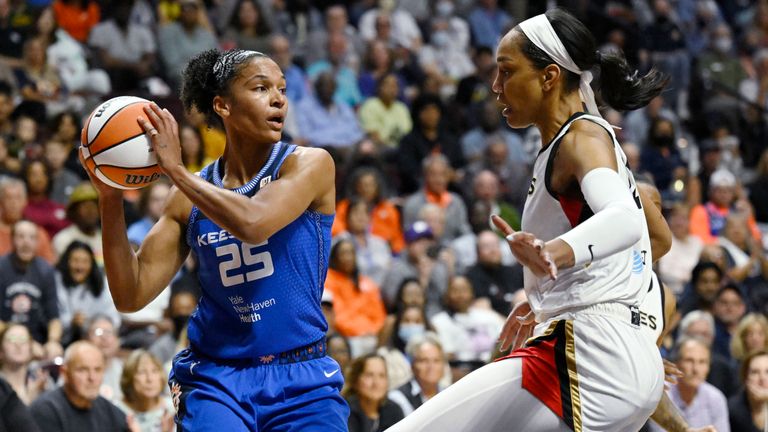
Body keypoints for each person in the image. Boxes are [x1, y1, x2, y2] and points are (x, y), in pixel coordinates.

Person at [386, 8, 669, 431]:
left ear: (549, 76)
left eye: (506, 72)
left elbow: (626, 222)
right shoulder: (590, 142)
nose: (495, 87)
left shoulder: (581, 139)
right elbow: (655, 242)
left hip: (588, 352)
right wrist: (549, 295)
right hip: (626, 358)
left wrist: (551, 254)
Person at [82, 48, 348, 430]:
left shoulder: (309, 163)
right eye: (260, 88)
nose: (278, 99)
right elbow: (130, 295)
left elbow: (255, 223)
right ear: (222, 105)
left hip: (301, 377)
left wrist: (176, 171)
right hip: (216, 378)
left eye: (282, 89)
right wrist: (110, 197)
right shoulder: (188, 196)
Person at [30, 341, 128, 431]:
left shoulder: (108, 410)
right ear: (64, 373)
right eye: (83, 370)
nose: (92, 378)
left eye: (97, 370)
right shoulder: (46, 411)